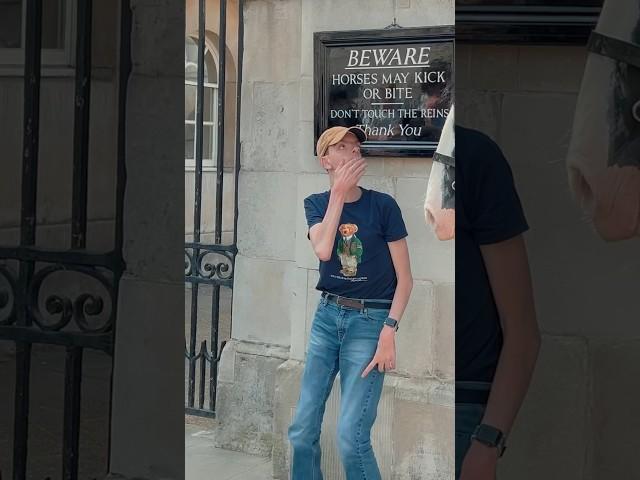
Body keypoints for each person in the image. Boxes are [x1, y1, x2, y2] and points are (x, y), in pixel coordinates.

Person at [288, 126, 413, 480]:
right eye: (341, 147)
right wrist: (338, 196)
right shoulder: (315, 204)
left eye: (356, 146)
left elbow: (406, 279)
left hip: (370, 321)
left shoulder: (384, 206)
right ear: (326, 160)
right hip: (327, 318)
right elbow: (324, 249)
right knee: (301, 431)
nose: (352, 151)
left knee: (350, 438)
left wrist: (389, 330)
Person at [455, 125, 541, 479]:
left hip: (461, 407)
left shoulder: (473, 157)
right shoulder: (356, 155)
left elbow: (522, 332)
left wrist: (488, 442)